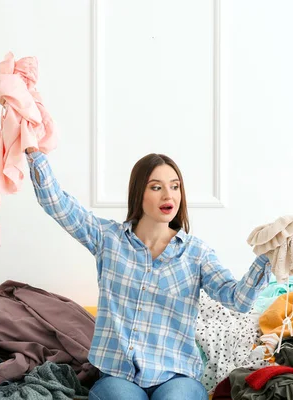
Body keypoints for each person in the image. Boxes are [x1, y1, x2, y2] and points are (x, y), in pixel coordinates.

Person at [25, 148, 271, 400]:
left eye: (175, 186)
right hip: (118, 376)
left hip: (176, 378)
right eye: (156, 187)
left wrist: (268, 257)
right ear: (138, 193)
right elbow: (56, 203)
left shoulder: (197, 254)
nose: (169, 195)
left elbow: (239, 300)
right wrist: (33, 150)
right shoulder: (107, 239)